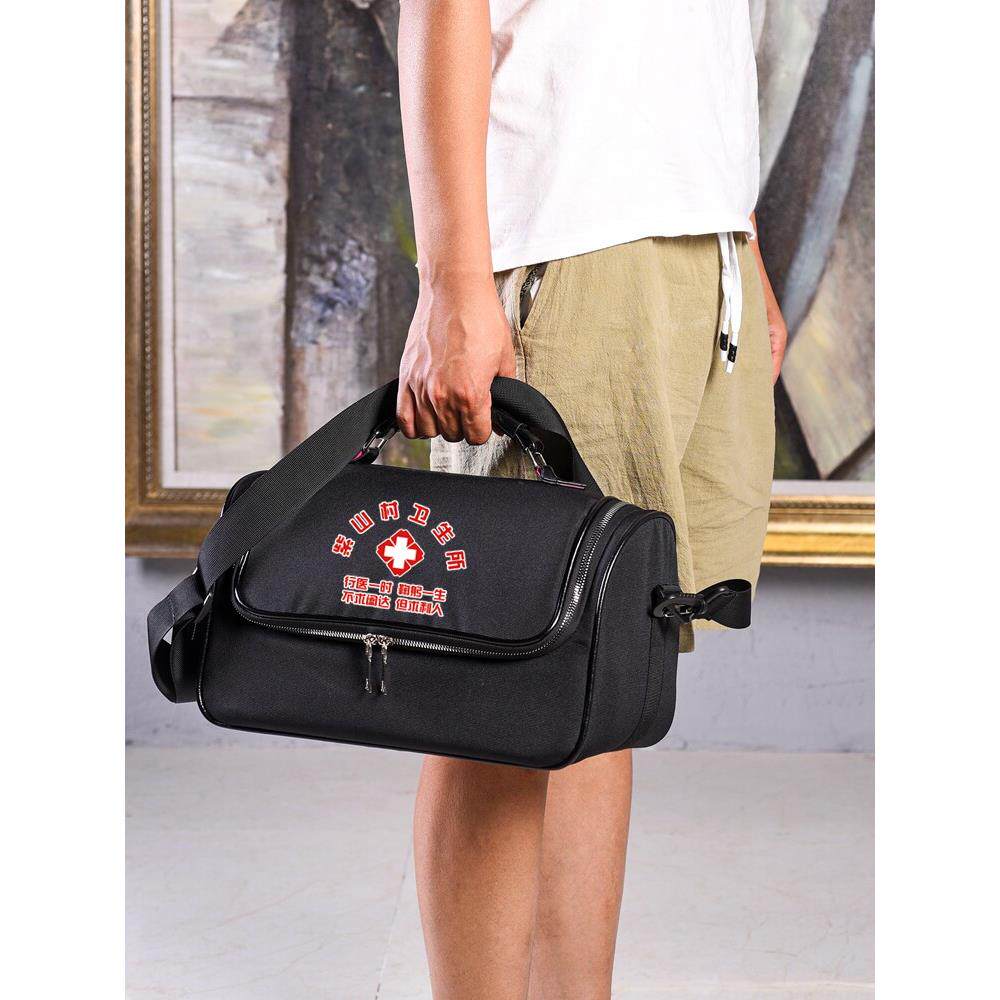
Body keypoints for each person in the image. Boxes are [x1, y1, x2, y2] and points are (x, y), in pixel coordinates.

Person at [395, 2, 786, 997]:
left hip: (700, 247)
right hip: (569, 242)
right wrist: (452, 282)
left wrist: (739, 244)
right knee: (506, 684)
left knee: (604, 679)